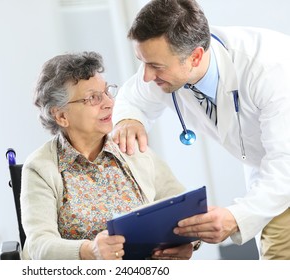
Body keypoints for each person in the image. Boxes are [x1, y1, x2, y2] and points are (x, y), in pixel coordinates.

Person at [112, 0, 290, 260]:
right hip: (271, 178)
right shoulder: (168, 63)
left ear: (195, 56)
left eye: (156, 66)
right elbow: (133, 97)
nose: (147, 76)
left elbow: (285, 164)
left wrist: (235, 217)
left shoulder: (268, 69)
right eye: (142, 63)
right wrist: (129, 119)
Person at [20, 51, 198, 260]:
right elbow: (39, 246)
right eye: (93, 98)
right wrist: (89, 251)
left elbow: (182, 206)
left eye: (107, 92)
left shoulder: (128, 143)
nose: (109, 103)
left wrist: (190, 242)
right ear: (61, 116)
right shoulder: (40, 167)